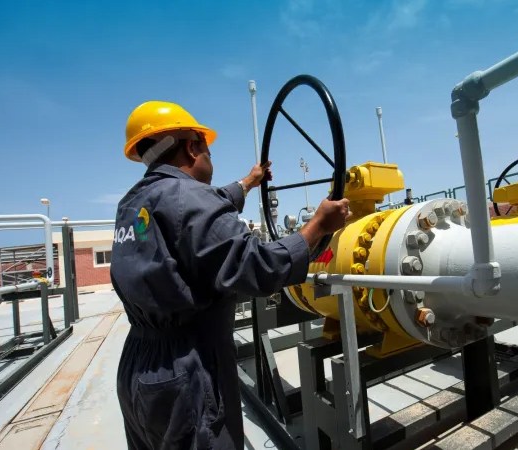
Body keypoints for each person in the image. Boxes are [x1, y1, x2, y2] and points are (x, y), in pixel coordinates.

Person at [110, 101, 350, 450]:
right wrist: (317, 227)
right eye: (208, 150)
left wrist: (249, 183)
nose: (210, 158)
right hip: (186, 374)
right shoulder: (189, 197)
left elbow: (195, 216)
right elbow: (259, 267)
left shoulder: (134, 203)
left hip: (138, 368)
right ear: (193, 147)